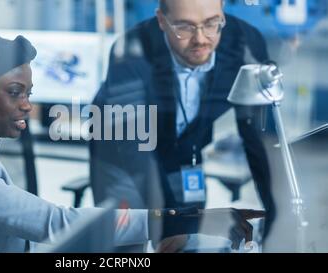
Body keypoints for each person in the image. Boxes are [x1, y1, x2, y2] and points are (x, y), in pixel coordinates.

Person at [0, 31, 264, 253]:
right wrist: (185, 221)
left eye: (28, 93)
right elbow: (57, 222)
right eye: (15, 93)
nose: (28, 105)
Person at [91, 0, 276, 241]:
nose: (201, 39)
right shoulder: (130, 51)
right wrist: (173, 223)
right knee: (129, 237)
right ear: (161, 20)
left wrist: (276, 214)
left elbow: (257, 139)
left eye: (211, 23)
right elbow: (135, 152)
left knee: (190, 238)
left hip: (186, 147)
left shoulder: (245, 45)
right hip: (121, 153)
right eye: (185, 27)